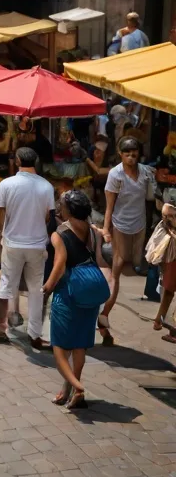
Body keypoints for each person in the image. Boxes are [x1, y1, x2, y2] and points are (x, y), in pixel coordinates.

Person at [44, 189, 109, 409]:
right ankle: (68, 390)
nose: (58, 207)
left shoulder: (59, 233)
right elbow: (100, 260)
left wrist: (47, 287)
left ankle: (77, 387)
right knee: (79, 345)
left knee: (59, 347)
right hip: (90, 292)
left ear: (68, 210)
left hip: (68, 292)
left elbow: (60, 264)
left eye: (61, 204)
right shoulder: (93, 232)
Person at [0, 146, 55, 347]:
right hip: (37, 244)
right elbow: (48, 216)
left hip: (12, 244)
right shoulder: (47, 186)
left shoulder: (6, 184)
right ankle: (35, 335)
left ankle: (1, 330)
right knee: (36, 289)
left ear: (17, 162)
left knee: (6, 286)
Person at [100, 136, 153, 345]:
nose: (131, 157)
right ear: (120, 154)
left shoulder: (145, 172)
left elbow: (151, 198)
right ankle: (104, 314)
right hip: (120, 225)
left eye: (134, 154)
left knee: (137, 265)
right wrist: (106, 230)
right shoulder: (115, 175)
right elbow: (109, 206)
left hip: (140, 225)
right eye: (127, 154)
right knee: (118, 267)